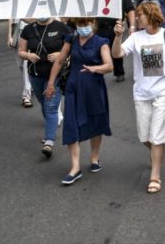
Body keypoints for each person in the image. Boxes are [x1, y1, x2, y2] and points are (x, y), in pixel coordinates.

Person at [112, 2, 165, 193]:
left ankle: (155, 175)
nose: (136, 18)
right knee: (145, 136)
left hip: (163, 92)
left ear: (150, 15)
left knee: (157, 135)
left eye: (140, 15)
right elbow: (117, 53)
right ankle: (156, 152)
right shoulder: (135, 37)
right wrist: (118, 36)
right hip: (141, 94)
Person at [46, 18, 113, 186]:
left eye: (86, 24)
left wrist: (95, 68)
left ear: (93, 25)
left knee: (96, 120)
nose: (83, 28)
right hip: (73, 87)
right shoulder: (71, 39)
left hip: (93, 88)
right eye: (80, 25)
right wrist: (50, 83)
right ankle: (75, 168)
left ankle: (95, 158)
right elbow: (60, 60)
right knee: (70, 123)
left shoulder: (101, 42)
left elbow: (109, 66)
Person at [18, 17, 71, 158]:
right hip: (35, 74)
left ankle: (49, 141)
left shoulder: (61, 27)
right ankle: (50, 129)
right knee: (43, 103)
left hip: (56, 75)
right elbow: (21, 52)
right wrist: (28, 55)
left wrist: (61, 55)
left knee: (51, 106)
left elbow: (73, 47)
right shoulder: (28, 29)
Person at [97, 0, 136, 82]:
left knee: (116, 50)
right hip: (98, 28)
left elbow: (130, 9)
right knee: (97, 52)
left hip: (114, 27)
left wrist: (132, 26)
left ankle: (119, 72)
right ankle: (97, 73)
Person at [7, 19, 34, 107]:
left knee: (26, 63)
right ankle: (32, 82)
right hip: (17, 30)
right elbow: (11, 15)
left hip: (30, 30)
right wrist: (9, 35)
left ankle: (26, 96)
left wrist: (24, 17)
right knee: (20, 64)